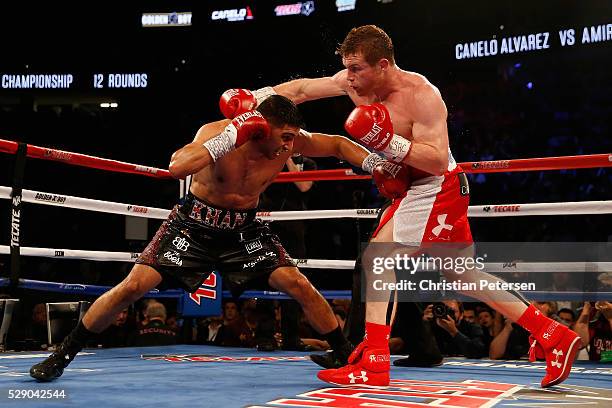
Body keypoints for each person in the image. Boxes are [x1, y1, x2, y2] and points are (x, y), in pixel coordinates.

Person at [234, 24, 580, 387]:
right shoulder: (355, 83)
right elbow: (302, 89)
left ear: (382, 65)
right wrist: (255, 98)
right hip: (423, 190)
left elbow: (434, 159)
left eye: (356, 70)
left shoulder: (421, 95)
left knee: (376, 261)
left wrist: (388, 142)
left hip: (434, 187)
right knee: (463, 275)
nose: (348, 79)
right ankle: (555, 335)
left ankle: (376, 362)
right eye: (347, 69)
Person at [29, 93, 408, 381]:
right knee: (132, 287)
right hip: (193, 225)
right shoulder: (218, 134)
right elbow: (177, 167)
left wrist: (375, 164)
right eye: (285, 137)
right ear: (260, 126)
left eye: (294, 138)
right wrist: (230, 137)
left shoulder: (290, 141)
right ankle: (64, 352)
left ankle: (342, 353)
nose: (290, 147)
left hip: (244, 228)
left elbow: (339, 144)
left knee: (298, 283)